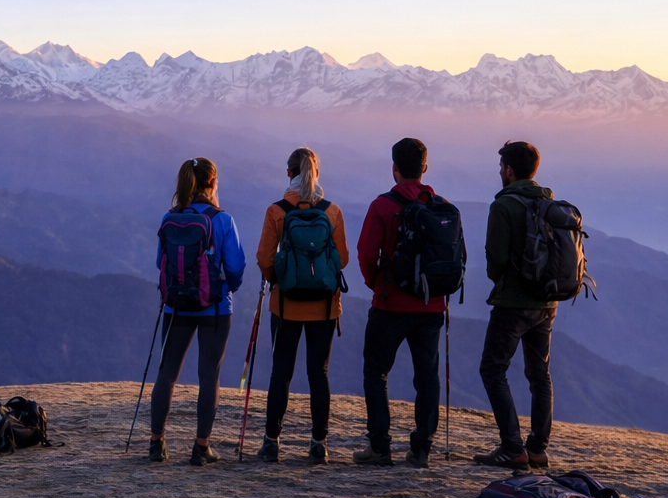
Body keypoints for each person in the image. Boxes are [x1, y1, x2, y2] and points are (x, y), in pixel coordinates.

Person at [354, 137, 447, 468]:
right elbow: (456, 258)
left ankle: (380, 447)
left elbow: (366, 254)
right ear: (424, 167)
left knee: (376, 371)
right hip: (431, 307)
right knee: (427, 375)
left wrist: (377, 284)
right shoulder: (442, 207)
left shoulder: (382, 206)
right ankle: (421, 448)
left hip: (390, 304)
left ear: (394, 168)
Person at [253, 147, 350, 464]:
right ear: (316, 173)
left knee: (280, 372)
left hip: (285, 306)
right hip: (323, 307)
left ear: (289, 173)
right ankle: (319, 444)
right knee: (318, 374)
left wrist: (278, 280)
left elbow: (264, 258)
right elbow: (342, 259)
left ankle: (271, 442)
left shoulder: (277, 211)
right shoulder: (331, 211)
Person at [148, 157, 247, 466]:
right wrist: (225, 287)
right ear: (213, 183)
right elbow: (236, 266)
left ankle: (156, 444)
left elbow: (159, 263)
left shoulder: (170, 217)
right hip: (215, 309)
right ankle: (200, 448)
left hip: (176, 307)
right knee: (209, 376)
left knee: (166, 374)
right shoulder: (222, 220)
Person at [474, 140, 555, 469]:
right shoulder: (548, 202)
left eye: (501, 167)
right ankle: (537, 448)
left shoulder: (504, 206)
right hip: (547, 302)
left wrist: (501, 281)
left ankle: (512, 447)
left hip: (513, 303)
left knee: (493, 370)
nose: (499, 172)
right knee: (540, 374)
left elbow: (495, 257)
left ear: (509, 170)